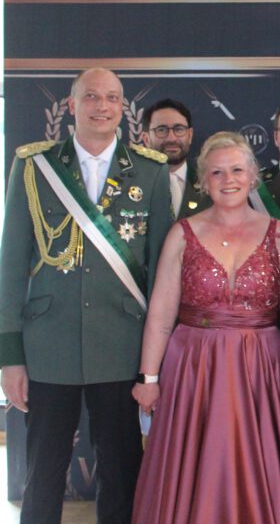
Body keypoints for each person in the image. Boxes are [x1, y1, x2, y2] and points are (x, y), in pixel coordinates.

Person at [0, 68, 172, 524]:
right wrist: (10, 357)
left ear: (123, 107)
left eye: (113, 97)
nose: (103, 106)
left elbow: (162, 275)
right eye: (92, 96)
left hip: (121, 345)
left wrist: (154, 364)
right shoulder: (35, 167)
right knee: (42, 470)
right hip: (48, 345)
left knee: (121, 469)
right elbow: (10, 266)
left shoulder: (151, 171)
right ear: (71, 105)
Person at [131, 132, 280, 524]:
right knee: (194, 466)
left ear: (252, 176)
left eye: (236, 170)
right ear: (203, 180)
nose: (228, 179)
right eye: (217, 172)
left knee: (260, 464)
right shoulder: (181, 233)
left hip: (262, 369)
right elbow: (161, 316)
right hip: (193, 368)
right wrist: (148, 378)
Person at [141, 98, 209, 219]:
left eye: (179, 129)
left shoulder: (209, 181)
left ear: (190, 135)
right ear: (146, 139)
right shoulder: (131, 183)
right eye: (161, 130)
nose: (171, 138)